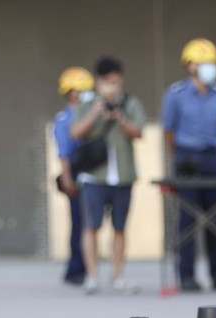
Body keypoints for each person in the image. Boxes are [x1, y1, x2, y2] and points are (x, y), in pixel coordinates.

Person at [71, 56, 146, 295]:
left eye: (114, 81)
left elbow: (138, 132)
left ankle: (118, 275)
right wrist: (95, 113)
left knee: (119, 227)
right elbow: (75, 133)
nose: (110, 86)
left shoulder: (130, 103)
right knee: (90, 226)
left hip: (123, 175)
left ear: (121, 79)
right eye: (106, 81)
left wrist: (121, 118)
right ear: (98, 81)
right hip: (94, 176)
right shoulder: (87, 103)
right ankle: (92, 276)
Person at [162, 38, 216, 292]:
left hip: (212, 156)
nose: (208, 68)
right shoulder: (175, 94)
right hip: (186, 156)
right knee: (187, 220)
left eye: (211, 63)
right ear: (190, 65)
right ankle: (186, 276)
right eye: (202, 63)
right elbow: (168, 131)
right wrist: (179, 156)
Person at [53, 66, 94, 286]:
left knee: (91, 222)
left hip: (94, 171)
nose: (81, 95)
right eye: (78, 90)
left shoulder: (91, 114)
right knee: (79, 221)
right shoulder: (64, 119)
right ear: (69, 93)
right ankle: (75, 269)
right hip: (76, 170)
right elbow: (64, 153)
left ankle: (90, 265)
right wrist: (67, 178)